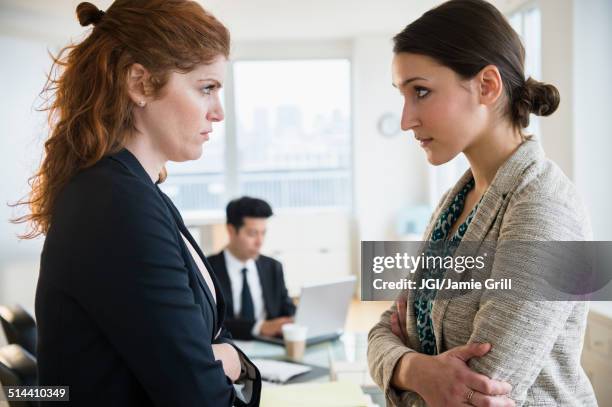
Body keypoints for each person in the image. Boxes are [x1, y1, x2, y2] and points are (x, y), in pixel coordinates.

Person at [14, 1, 261, 405]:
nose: (218, 112)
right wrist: (232, 360)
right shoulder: (115, 204)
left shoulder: (134, 191)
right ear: (141, 84)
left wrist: (223, 355)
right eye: (206, 88)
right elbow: (197, 394)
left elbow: (204, 337)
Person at [367, 1, 597, 406]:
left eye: (421, 91)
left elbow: (475, 394)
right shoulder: (457, 201)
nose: (406, 119)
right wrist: (413, 370)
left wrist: (400, 370)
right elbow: (385, 327)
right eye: (403, 96)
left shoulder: (543, 207)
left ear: (487, 86)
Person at [208, 197, 296, 340]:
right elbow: (210, 321)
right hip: (227, 348)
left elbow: (287, 309)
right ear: (231, 230)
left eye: (263, 233)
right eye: (252, 233)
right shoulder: (207, 269)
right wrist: (260, 327)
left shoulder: (273, 267)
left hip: (270, 347)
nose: (260, 242)